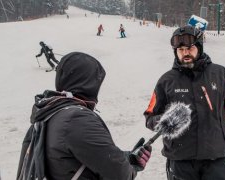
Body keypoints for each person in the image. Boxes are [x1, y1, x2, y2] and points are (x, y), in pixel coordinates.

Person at [144, 25, 225, 180]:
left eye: (189, 48)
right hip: (181, 163)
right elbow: (150, 116)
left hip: (216, 162)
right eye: (180, 50)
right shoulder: (167, 81)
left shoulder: (221, 75)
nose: (185, 53)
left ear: (199, 47)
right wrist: (163, 122)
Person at [23, 52, 151, 179]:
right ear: (88, 82)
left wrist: (127, 158)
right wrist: (131, 168)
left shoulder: (48, 115)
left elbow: (78, 158)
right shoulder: (76, 119)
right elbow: (119, 174)